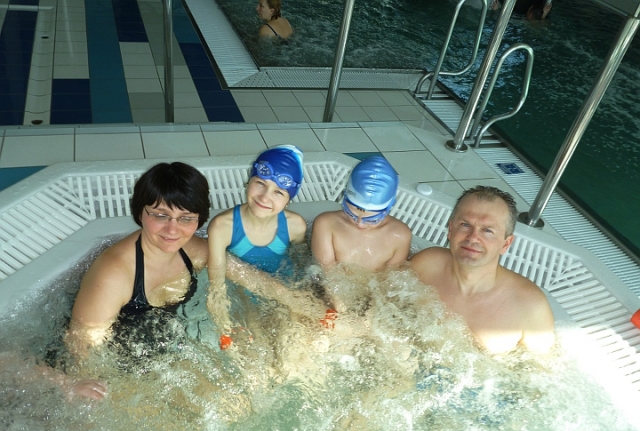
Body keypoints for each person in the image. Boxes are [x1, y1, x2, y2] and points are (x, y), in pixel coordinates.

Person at [65, 162, 211, 380]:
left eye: (186, 218)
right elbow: (82, 353)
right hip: (116, 367)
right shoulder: (114, 274)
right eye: (160, 215)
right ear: (140, 213)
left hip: (160, 354)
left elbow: (248, 277)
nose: (173, 229)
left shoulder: (191, 250)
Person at [409, 186, 555, 355]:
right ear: (451, 230)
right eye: (465, 224)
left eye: (487, 230)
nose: (473, 238)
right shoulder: (426, 265)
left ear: (506, 243)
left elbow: (540, 367)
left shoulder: (530, 307)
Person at [206, 146, 309, 335]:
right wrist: (224, 325)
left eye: (279, 192)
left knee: (295, 336)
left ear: (288, 200)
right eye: (260, 183)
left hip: (284, 293)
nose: (264, 197)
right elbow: (216, 286)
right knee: (252, 336)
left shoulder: (295, 226)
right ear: (248, 181)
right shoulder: (223, 227)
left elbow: (302, 271)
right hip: (243, 296)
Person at [311, 156, 412, 273]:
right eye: (351, 213)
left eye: (372, 219)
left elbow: (391, 279)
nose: (360, 224)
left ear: (388, 209)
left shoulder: (400, 236)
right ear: (344, 197)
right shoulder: (326, 224)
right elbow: (326, 273)